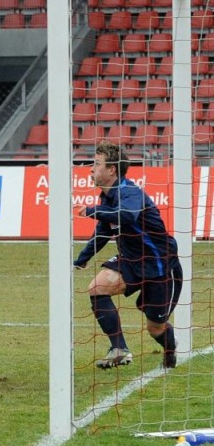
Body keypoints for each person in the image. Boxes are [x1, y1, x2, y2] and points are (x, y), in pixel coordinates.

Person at [73, 141, 182, 370]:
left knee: (155, 327)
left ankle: (170, 351)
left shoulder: (130, 192)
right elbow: (102, 234)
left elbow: (127, 216)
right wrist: (81, 260)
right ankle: (119, 349)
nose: (91, 169)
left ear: (112, 169)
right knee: (97, 288)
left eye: (97, 164)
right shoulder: (107, 199)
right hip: (131, 260)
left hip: (160, 265)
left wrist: (93, 210)